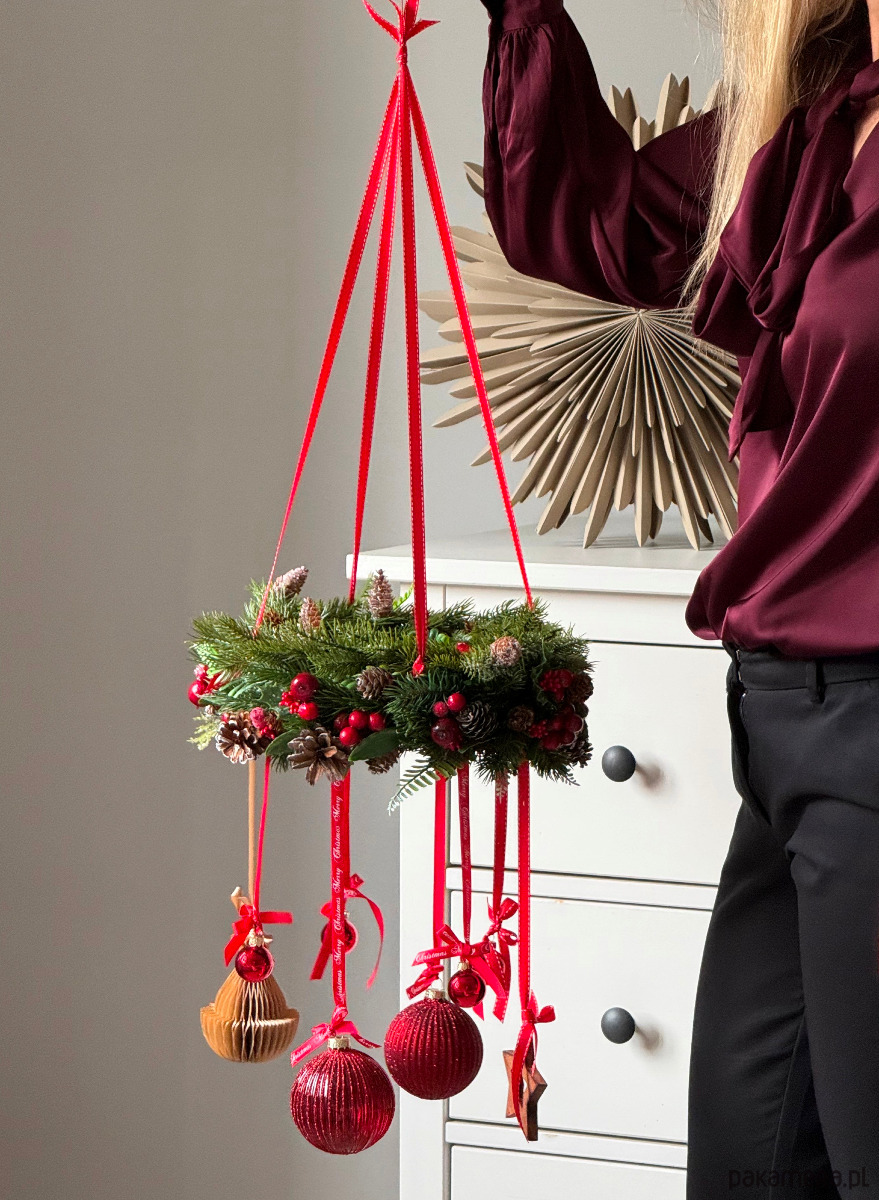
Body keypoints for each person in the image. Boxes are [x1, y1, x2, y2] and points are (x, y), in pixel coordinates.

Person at [476, 1, 879, 1195]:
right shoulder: (810, 123)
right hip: (783, 727)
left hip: (868, 716)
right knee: (747, 1167)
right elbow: (586, 221)